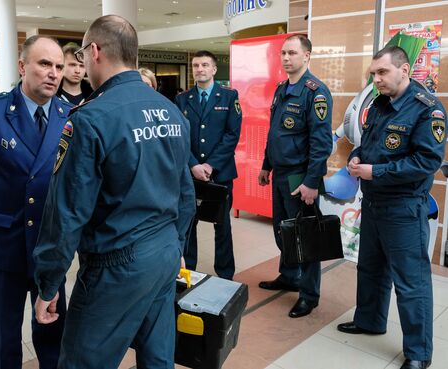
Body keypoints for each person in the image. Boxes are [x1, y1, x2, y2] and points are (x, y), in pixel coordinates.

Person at [33, 15, 195, 369]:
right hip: (164, 252)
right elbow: (185, 193)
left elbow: (67, 213)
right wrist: (177, 244)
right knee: (157, 357)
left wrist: (49, 283)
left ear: (95, 51)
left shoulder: (90, 119)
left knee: (82, 361)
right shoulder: (171, 111)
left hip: (116, 264)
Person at [0, 35, 70, 369]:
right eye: (44, 64)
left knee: (52, 334)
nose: (53, 73)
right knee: (3, 339)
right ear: (23, 66)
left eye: (59, 67)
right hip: (2, 248)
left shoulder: (72, 116)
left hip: (49, 249)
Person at [337, 46, 445, 369]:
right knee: (370, 268)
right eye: (373, 73)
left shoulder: (428, 110)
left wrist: (376, 172)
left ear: (404, 70)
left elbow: (427, 162)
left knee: (411, 282)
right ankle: (369, 320)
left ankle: (418, 353)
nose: (376, 79)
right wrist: (357, 158)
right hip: (373, 204)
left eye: (382, 72)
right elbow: (368, 145)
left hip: (403, 208)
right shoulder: (380, 104)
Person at [257, 34, 332, 318]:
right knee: (282, 230)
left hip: (299, 177)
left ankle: (309, 294)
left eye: (292, 53)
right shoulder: (281, 89)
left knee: (305, 237)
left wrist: (312, 182)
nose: (286, 58)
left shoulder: (316, 92)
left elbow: (321, 144)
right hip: (279, 174)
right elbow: (275, 132)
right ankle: (289, 276)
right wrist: (266, 164)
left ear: (307, 56)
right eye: (283, 53)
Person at [175, 50, 242, 280]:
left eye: (204, 65)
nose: (199, 69)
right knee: (188, 224)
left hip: (221, 173)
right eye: (195, 65)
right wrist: (193, 164)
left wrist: (210, 165)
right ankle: (188, 271)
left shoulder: (229, 97)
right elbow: (180, 136)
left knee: (222, 226)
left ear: (214, 69)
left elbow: (232, 135)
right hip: (190, 175)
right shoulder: (182, 99)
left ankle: (225, 275)